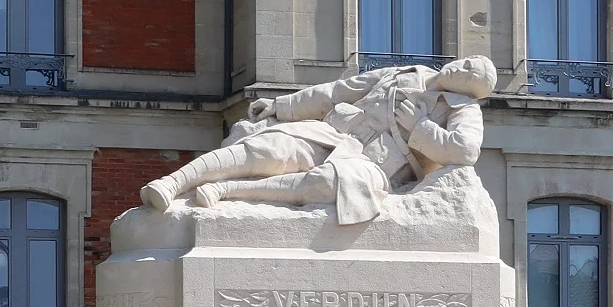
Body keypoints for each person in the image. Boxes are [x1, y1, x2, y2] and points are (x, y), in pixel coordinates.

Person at [139, 57, 496, 224]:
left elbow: (465, 151)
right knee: (267, 146)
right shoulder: (401, 73)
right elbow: (336, 92)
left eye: (468, 75)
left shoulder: (463, 111)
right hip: (338, 134)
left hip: (375, 167)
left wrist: (421, 127)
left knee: (327, 184)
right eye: (465, 63)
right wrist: (280, 105)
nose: (459, 69)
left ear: (469, 91)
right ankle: (173, 183)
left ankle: (227, 191)